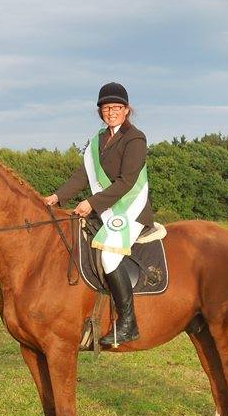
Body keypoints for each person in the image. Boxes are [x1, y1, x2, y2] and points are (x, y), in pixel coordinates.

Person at [44, 82, 153, 347]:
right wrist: (57, 196)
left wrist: (92, 203)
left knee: (109, 255)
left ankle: (128, 323)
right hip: (105, 210)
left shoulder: (135, 138)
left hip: (131, 210)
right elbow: (82, 176)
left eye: (116, 107)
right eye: (106, 108)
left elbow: (127, 181)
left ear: (126, 110)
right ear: (100, 112)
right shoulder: (98, 141)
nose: (111, 112)